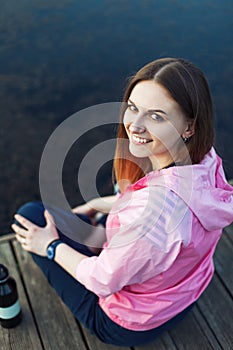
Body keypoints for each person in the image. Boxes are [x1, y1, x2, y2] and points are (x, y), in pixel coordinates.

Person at [11, 58, 233, 347]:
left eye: (156, 116)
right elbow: (163, 218)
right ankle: (97, 235)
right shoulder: (205, 160)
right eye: (133, 107)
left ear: (188, 127)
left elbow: (103, 280)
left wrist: (50, 247)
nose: (134, 126)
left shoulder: (151, 214)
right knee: (111, 204)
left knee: (31, 216)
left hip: (132, 322)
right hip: (187, 290)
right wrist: (101, 203)